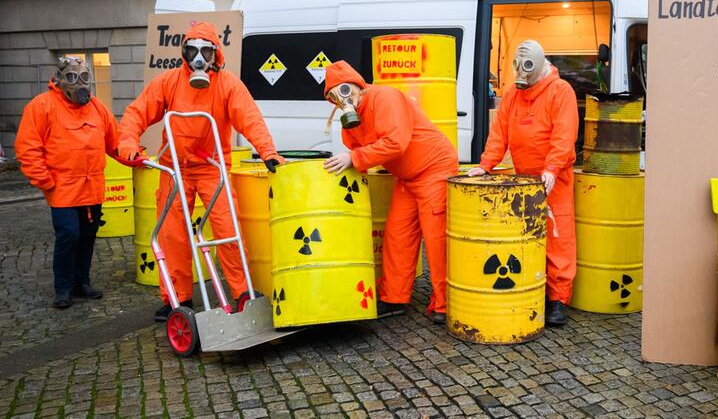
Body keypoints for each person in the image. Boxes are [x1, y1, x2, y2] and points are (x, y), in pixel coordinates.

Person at [117, 22, 283, 321]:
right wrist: (128, 144)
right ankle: (176, 299)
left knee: (228, 230)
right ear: (183, 53)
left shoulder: (228, 84)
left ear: (214, 55)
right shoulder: (168, 82)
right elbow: (136, 113)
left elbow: (250, 119)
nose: (198, 58)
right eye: (192, 51)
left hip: (211, 168)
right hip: (174, 169)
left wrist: (268, 152)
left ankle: (243, 292)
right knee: (172, 237)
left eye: (204, 51)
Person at [322, 60, 458, 324]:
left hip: (435, 169)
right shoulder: (353, 116)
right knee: (397, 237)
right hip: (407, 177)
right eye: (334, 96)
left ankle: (445, 303)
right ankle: (394, 298)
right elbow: (354, 146)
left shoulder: (385, 97)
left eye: (345, 91)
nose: (342, 100)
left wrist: (355, 158)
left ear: (359, 86)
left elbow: (395, 143)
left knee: (436, 239)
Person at [467, 40, 579, 327]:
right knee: (527, 238)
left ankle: (558, 300)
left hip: (555, 180)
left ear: (539, 67)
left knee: (557, 238)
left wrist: (552, 169)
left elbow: (564, 135)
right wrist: (484, 166)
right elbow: (498, 134)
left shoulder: (560, 92)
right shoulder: (513, 96)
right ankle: (531, 288)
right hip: (522, 181)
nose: (522, 80)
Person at [15, 56, 120, 308]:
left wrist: (135, 156)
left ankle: (81, 282)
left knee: (87, 235)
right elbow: (27, 147)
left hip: (92, 187)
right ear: (60, 80)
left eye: (84, 78)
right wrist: (43, 179)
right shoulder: (42, 106)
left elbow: (114, 141)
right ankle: (62, 287)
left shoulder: (97, 107)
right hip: (62, 188)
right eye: (73, 78)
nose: (80, 83)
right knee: (69, 235)